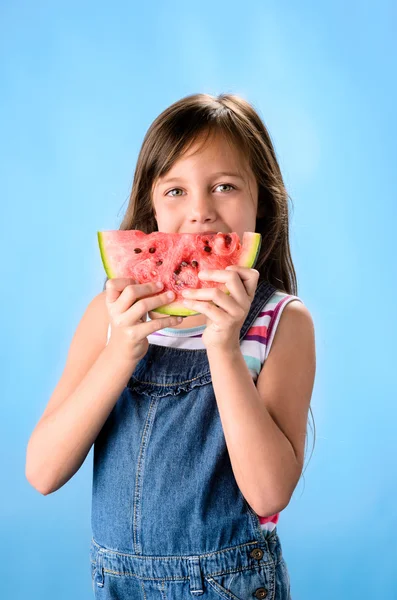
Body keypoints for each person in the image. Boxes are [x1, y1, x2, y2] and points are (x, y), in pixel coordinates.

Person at [26, 92, 316, 599]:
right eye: (176, 191)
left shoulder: (281, 323)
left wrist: (225, 352)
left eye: (224, 187)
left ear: (261, 203)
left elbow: (270, 492)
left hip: (234, 586)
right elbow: (43, 472)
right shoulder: (110, 319)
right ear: (152, 208)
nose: (201, 214)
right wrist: (120, 354)